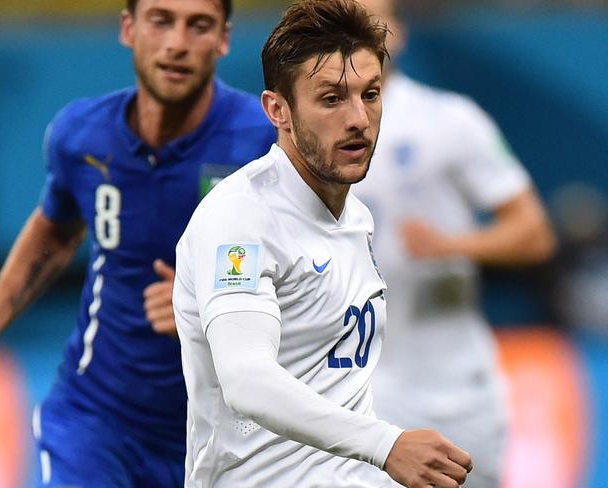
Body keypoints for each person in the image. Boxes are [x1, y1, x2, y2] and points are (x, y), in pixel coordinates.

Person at [0, 0, 276, 486]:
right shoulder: (82, 134)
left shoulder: (265, 144)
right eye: (161, 20)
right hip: (96, 420)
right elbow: (56, 226)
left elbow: (318, 274)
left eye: (199, 25)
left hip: (219, 436)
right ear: (129, 28)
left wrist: (211, 308)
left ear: (224, 39)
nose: (177, 43)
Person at [174, 1, 473, 486]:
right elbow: (245, 379)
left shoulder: (356, 217)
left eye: (370, 95)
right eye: (332, 99)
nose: (359, 118)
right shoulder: (240, 217)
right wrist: (386, 444)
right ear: (278, 110)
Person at [353, 1, 556, 487]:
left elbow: (535, 232)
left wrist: (454, 245)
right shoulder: (299, 132)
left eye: (370, 18)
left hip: (456, 389)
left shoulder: (449, 120)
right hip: (361, 389)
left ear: (397, 33)